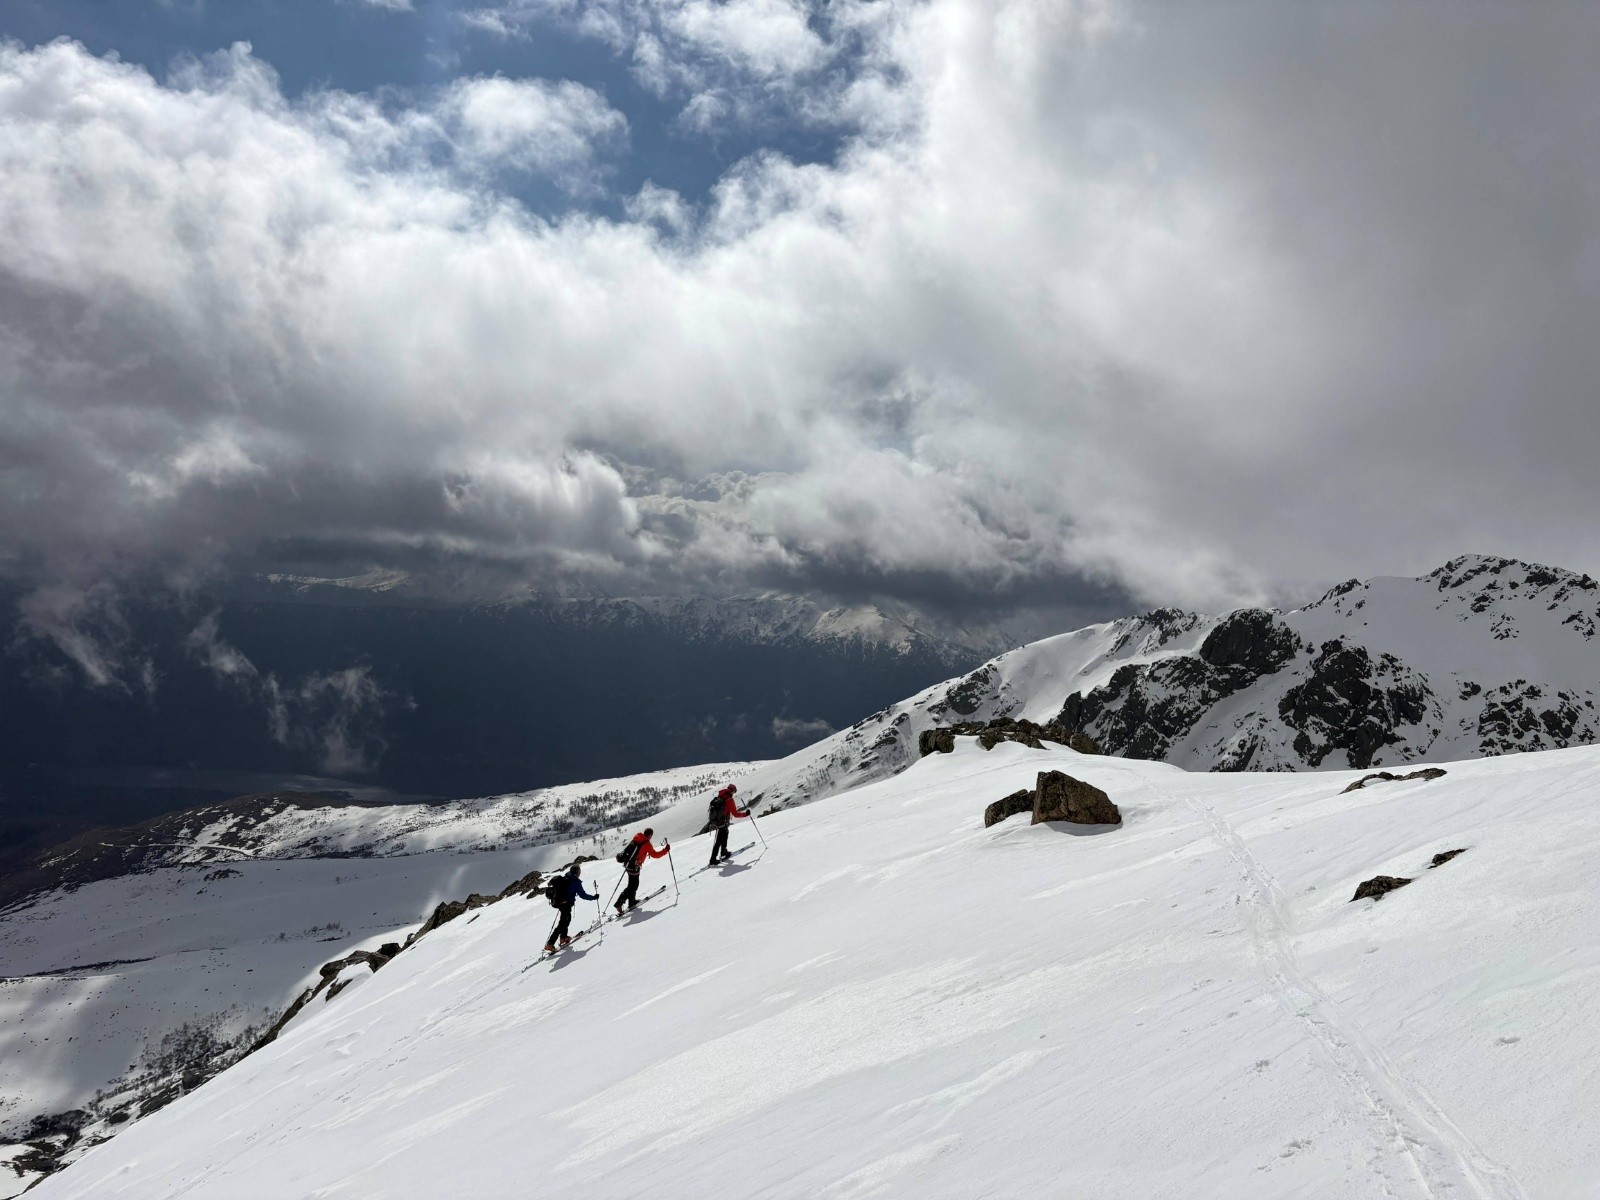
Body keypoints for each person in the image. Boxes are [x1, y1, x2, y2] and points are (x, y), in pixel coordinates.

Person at [545, 863, 597, 954]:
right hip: (566, 904)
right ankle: (550, 943)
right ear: (577, 872)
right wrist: (593, 897)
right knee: (562, 923)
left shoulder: (566, 877)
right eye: (579, 871)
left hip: (561, 903)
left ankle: (563, 937)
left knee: (566, 919)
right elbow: (583, 895)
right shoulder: (575, 881)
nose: (580, 873)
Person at [615, 827, 670, 914]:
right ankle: (619, 903)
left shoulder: (637, 837)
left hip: (628, 865)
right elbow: (655, 855)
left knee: (633, 884)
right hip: (634, 867)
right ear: (650, 835)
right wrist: (665, 850)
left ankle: (631, 902)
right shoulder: (646, 843)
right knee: (632, 886)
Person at [707, 783, 750, 866]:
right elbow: (735, 814)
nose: (734, 793)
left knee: (725, 834)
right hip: (723, 822)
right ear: (732, 791)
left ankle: (723, 851)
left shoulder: (720, 796)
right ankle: (713, 859)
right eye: (734, 791)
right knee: (719, 840)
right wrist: (746, 814)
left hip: (718, 821)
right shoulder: (729, 800)